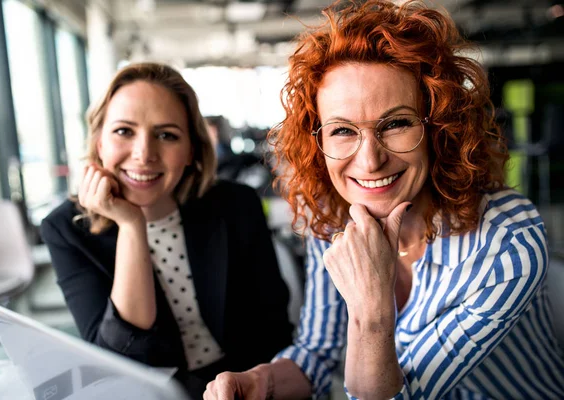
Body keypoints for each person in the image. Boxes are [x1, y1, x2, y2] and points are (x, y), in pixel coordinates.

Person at [204, 1, 564, 399]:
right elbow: (318, 356)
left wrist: (371, 312)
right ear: (317, 141)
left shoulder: (506, 241)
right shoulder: (332, 214)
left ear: (439, 129)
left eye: (396, 124)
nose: (370, 161)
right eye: (342, 130)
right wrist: (261, 381)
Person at [39, 62, 293, 399]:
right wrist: (132, 225)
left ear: (190, 150)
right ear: (99, 142)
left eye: (166, 135)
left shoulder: (236, 206)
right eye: (123, 131)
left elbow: (272, 329)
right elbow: (116, 359)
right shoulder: (65, 229)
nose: (144, 154)